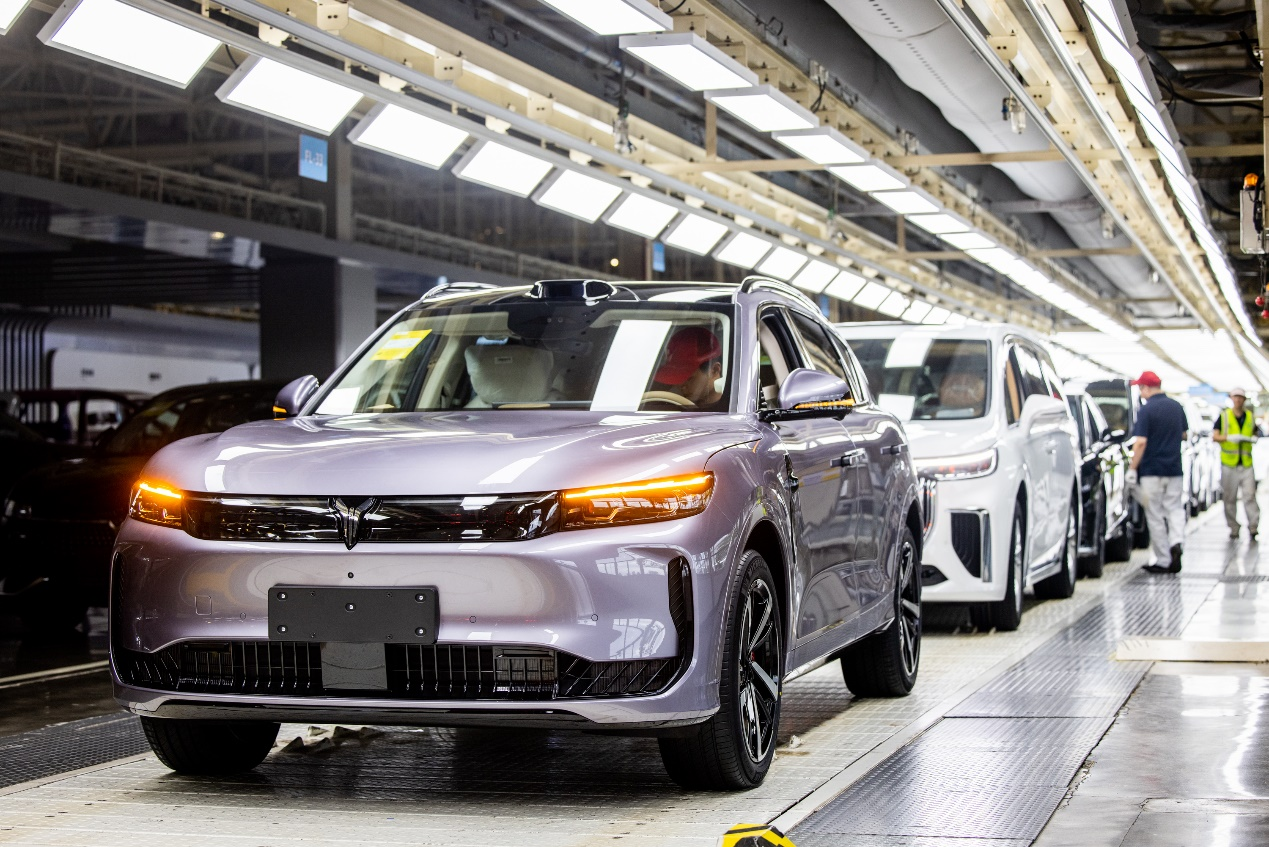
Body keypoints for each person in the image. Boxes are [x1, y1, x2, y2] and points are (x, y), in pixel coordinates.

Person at [1127, 370, 1188, 574]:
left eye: (1140, 388)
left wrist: (1132, 468)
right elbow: (1184, 434)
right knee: (1175, 509)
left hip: (1151, 471)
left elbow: (1141, 442)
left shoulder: (1146, 410)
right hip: (1174, 469)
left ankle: (1163, 560)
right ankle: (1177, 541)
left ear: (1146, 387)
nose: (1140, 392)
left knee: (1154, 514)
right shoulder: (1177, 407)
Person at [1213, 387, 1263, 541]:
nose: (1238, 400)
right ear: (1231, 398)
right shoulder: (1224, 416)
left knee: (1250, 496)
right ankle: (1233, 528)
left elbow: (1256, 433)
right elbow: (1215, 436)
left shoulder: (1250, 417)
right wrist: (1228, 438)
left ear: (1244, 400)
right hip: (1229, 464)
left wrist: (1254, 438)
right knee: (1230, 498)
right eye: (1235, 397)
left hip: (1246, 463)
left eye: (1240, 397)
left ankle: (1253, 527)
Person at [651, 326, 726, 410]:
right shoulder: (670, 403)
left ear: (714, 370)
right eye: (675, 378)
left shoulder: (731, 410)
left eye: (688, 378)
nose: (681, 387)